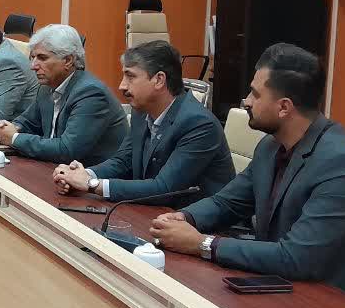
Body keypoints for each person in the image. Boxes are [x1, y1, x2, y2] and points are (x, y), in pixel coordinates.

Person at [150, 44, 345, 299]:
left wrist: (202, 244)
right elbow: (228, 203)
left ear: (284, 107)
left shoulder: (343, 164)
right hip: (282, 285)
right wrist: (184, 218)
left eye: (255, 94)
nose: (246, 101)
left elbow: (297, 256)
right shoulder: (270, 146)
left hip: (338, 304)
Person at [54, 40, 235, 202]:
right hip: (155, 213)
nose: (122, 85)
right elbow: (123, 161)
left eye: (130, 76)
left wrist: (91, 184)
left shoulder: (198, 124)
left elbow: (164, 188)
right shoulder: (141, 112)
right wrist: (82, 175)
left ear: (159, 80)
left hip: (196, 223)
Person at [0, 24, 126, 164]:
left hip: (88, 172)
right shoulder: (47, 86)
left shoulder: (91, 93)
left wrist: (13, 138)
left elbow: (68, 150)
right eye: (32, 57)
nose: (33, 66)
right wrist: (5, 128)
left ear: (68, 60)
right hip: (53, 167)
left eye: (42, 58)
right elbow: (28, 122)